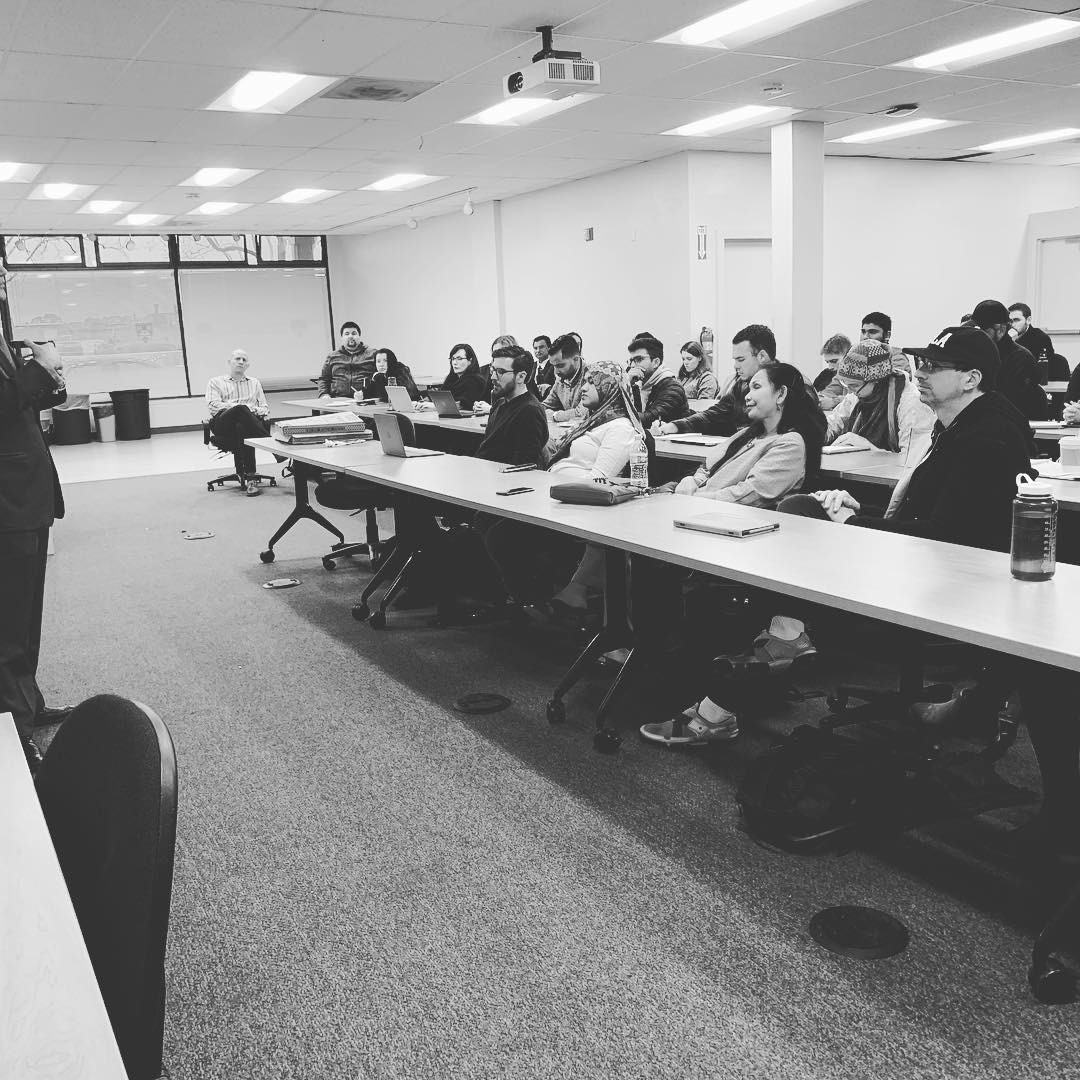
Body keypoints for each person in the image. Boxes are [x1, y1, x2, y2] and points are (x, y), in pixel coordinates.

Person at [639, 364, 825, 746]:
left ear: (782, 394)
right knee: (635, 550)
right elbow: (704, 470)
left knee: (652, 568)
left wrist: (687, 499)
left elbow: (752, 495)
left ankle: (666, 672)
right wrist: (689, 487)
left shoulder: (790, 444)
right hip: (699, 522)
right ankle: (650, 659)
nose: (747, 393)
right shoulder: (746, 434)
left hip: (734, 540)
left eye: (757, 386)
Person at [482, 359, 644, 611]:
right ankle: (512, 595)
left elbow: (598, 480)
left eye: (593, 382)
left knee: (501, 534)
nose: (585, 388)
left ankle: (531, 601)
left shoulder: (620, 428)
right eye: (586, 381)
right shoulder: (595, 420)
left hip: (575, 505)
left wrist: (556, 489)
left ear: (609, 387)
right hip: (553, 493)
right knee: (486, 519)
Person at [0, 329, 69, 771]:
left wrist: (52, 375)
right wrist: (40, 366)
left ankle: (27, 701)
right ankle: (13, 726)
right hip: (7, 502)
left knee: (26, 618)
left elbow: (30, 401)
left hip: (27, 496)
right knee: (8, 619)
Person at [653, 324, 778, 437]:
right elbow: (715, 415)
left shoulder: (786, 387)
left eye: (741, 359)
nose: (735, 366)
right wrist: (674, 426)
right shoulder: (741, 384)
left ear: (762, 356)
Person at [823, 341, 935, 458]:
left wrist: (867, 447)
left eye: (854, 385)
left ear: (877, 380)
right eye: (846, 384)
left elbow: (912, 459)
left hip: (891, 474)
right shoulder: (858, 395)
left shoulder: (911, 403)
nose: (851, 392)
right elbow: (833, 423)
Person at [206, 348, 272, 495]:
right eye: (237, 359)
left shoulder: (254, 383)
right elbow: (213, 406)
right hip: (223, 423)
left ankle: (250, 479)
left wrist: (247, 411)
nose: (241, 362)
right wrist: (240, 408)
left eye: (244, 360)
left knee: (242, 426)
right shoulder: (215, 382)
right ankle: (271, 447)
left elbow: (264, 408)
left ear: (247, 365)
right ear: (229, 362)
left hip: (247, 425)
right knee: (241, 409)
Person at [971, 299, 1048, 421]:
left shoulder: (1020, 359)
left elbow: (1006, 403)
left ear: (1001, 330)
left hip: (1010, 426)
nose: (977, 335)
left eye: (982, 331)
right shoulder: (980, 352)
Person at [475, 346, 550, 467]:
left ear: (521, 376)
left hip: (503, 480)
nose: (493, 377)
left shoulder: (530, 412)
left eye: (500, 372)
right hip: (487, 473)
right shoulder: (500, 403)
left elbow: (523, 467)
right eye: (492, 370)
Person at [626, 334, 689, 429]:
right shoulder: (637, 383)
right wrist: (626, 385)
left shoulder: (672, 388)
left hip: (672, 443)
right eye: (631, 361)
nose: (633, 366)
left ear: (656, 362)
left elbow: (649, 420)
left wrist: (615, 417)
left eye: (638, 359)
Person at [318, 321, 377, 399]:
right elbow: (323, 379)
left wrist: (367, 393)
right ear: (342, 337)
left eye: (354, 333)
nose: (350, 336)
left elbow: (381, 377)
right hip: (337, 399)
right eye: (347, 334)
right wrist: (323, 394)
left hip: (365, 399)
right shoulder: (332, 356)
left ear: (359, 336)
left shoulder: (373, 354)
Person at [541, 333, 589, 422]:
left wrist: (555, 415)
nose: (556, 372)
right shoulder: (561, 378)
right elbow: (545, 406)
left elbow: (581, 414)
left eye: (560, 365)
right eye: (553, 366)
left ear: (576, 359)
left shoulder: (590, 377)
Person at [1008, 302, 1060, 376]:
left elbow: (1037, 369)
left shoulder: (1041, 338)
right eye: (1010, 321)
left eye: (1017, 320)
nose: (1012, 325)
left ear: (1028, 320)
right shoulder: (1006, 337)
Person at [440, 343, 487, 410]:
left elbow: (462, 405)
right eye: (453, 358)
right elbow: (441, 397)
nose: (455, 362)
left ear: (470, 361)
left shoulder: (475, 380)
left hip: (469, 418)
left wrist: (434, 406)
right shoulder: (452, 378)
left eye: (459, 359)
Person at [814, 332, 851, 405]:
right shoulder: (838, 376)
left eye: (834, 361)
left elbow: (858, 400)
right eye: (828, 362)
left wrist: (834, 401)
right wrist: (820, 398)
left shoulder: (862, 373)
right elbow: (830, 391)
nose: (830, 367)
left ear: (848, 355)